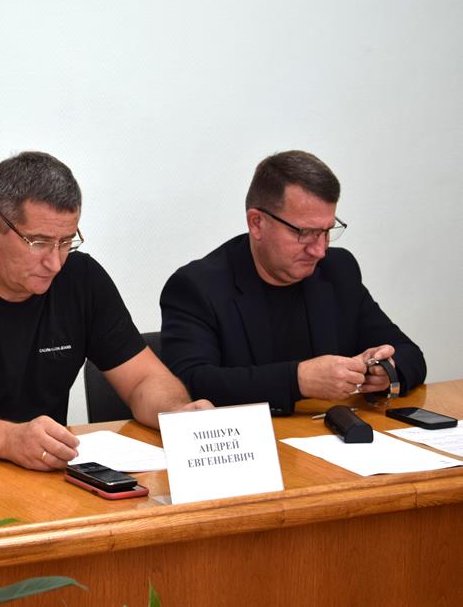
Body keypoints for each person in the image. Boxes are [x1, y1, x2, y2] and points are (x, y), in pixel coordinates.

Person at [0, 151, 211, 470]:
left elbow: (143, 379)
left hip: (46, 475)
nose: (54, 263)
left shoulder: (82, 280)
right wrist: (8, 439)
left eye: (66, 242)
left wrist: (176, 413)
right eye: (38, 243)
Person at [160, 150, 426, 415]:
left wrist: (385, 372)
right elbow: (190, 385)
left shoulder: (337, 270)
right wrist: (298, 380)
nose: (319, 250)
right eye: (305, 233)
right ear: (257, 223)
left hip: (331, 434)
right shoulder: (197, 287)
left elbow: (410, 354)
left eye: (326, 231)